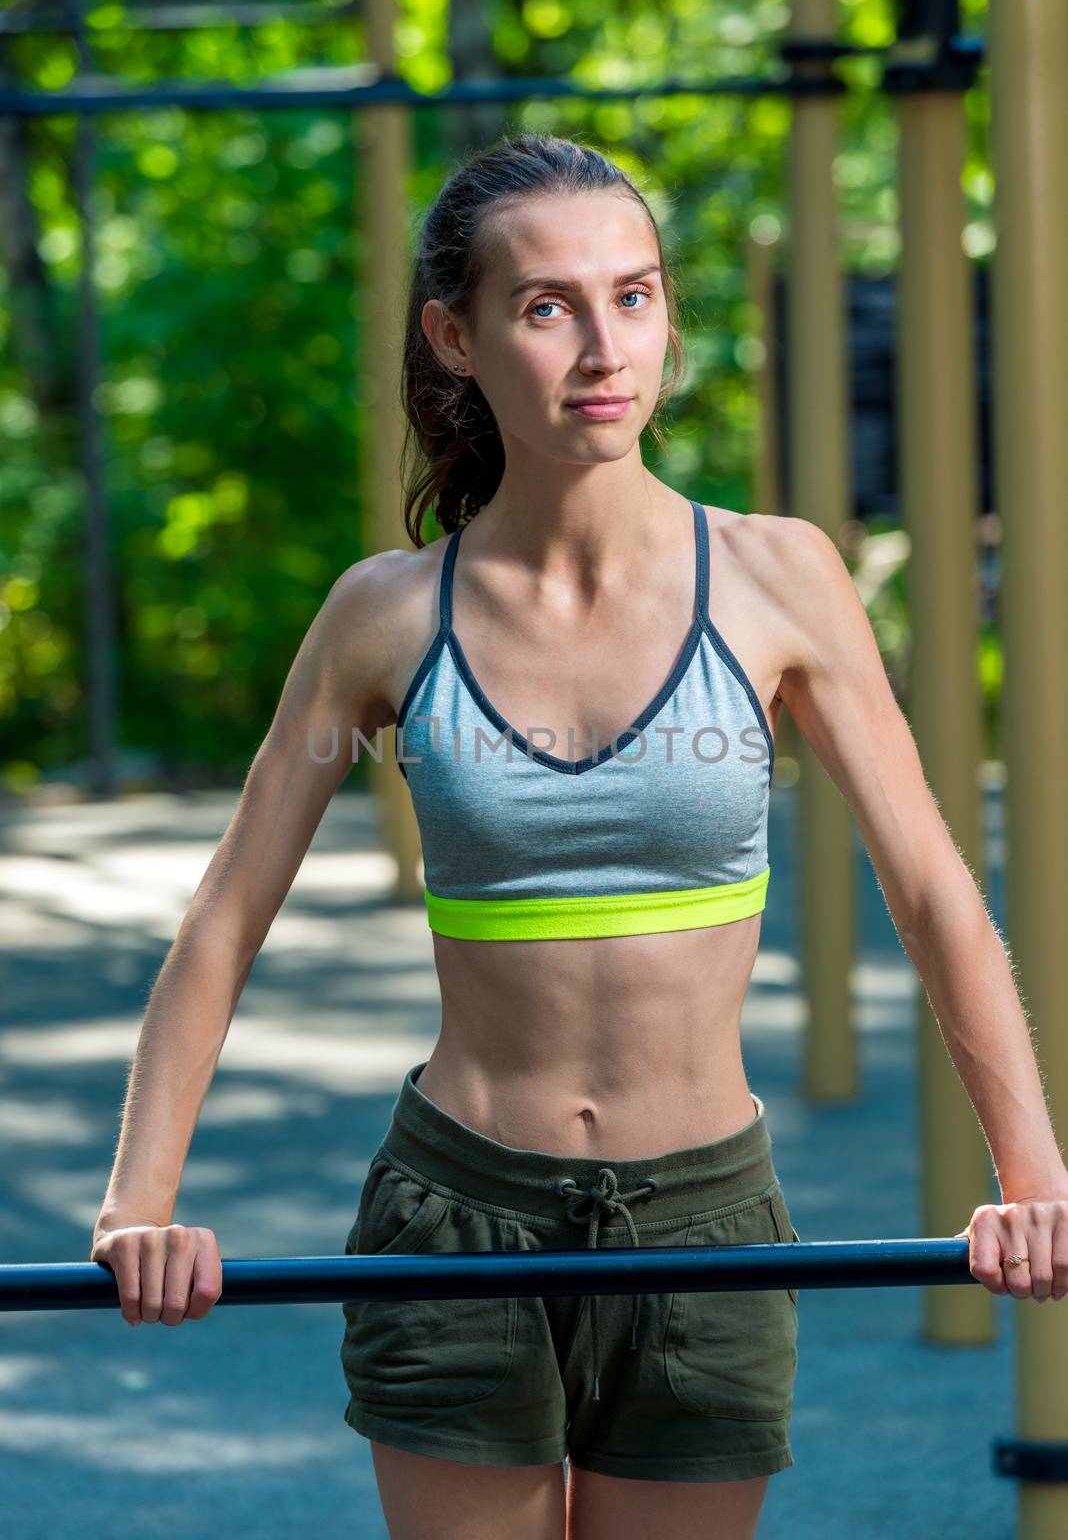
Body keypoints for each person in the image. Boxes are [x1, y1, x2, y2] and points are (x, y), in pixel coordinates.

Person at [91, 132, 1068, 1540]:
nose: (605, 346)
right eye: (547, 306)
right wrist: (141, 1203)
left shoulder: (777, 577)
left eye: (637, 296)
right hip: (457, 1219)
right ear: (458, 336)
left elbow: (927, 887)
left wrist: (1031, 1178)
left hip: (705, 1224)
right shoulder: (385, 615)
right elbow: (226, 919)